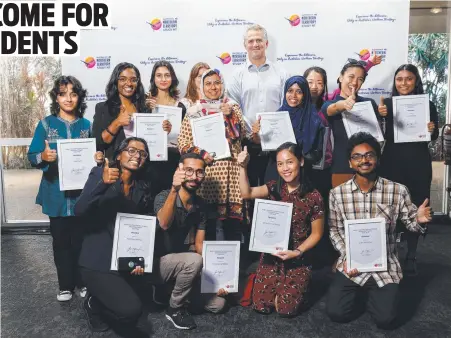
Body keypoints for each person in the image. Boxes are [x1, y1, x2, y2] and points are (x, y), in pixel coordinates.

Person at [327, 132, 432, 329]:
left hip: (385, 265)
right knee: (337, 313)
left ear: (377, 159)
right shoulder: (337, 194)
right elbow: (334, 229)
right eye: (357, 156)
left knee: (385, 319)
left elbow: (411, 225)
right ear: (350, 163)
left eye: (369, 155)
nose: (364, 160)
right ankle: (360, 291)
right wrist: (346, 254)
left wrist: (419, 220)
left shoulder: (398, 190)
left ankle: (373, 293)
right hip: (352, 263)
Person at [75, 137, 155, 334]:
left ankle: (101, 297)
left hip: (122, 258)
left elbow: (139, 230)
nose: (137, 155)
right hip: (97, 259)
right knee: (132, 311)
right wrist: (102, 183)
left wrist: (139, 260)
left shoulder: (142, 188)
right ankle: (93, 304)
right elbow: (79, 210)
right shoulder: (99, 174)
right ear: (119, 155)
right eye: (131, 150)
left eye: (142, 153)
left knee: (142, 297)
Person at [238, 142, 324, 316]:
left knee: (285, 310)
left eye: (289, 162)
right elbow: (246, 193)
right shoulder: (273, 188)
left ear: (300, 161)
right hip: (272, 255)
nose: (285, 168)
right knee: (260, 305)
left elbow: (317, 233)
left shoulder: (314, 196)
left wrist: (298, 252)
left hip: (297, 257)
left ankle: (302, 290)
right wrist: (243, 167)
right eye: (280, 164)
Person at [27, 76, 91, 302]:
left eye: (73, 94)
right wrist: (43, 156)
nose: (68, 98)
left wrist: (98, 157)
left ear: (79, 97)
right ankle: (65, 285)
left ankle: (83, 282)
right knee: (61, 242)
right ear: (56, 97)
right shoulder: (45, 124)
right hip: (56, 196)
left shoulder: (86, 125)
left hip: (81, 197)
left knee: (81, 241)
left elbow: (93, 157)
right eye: (63, 94)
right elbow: (31, 156)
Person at [154, 153, 228, 327]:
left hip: (186, 265)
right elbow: (164, 223)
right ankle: (174, 308)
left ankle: (169, 293)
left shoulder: (200, 205)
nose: (194, 177)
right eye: (189, 171)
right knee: (194, 260)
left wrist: (217, 279)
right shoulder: (163, 196)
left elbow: (200, 245)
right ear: (179, 171)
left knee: (219, 304)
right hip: (159, 265)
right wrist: (174, 189)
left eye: (199, 172)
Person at [378, 64, 439, 276]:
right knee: (391, 209)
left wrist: (431, 130)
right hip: (391, 163)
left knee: (417, 206)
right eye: (399, 79)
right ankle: (390, 252)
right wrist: (381, 117)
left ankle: (411, 254)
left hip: (418, 164)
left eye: (408, 79)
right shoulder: (386, 105)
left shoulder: (428, 105)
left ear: (416, 81)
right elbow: (379, 135)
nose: (403, 83)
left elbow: (434, 136)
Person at [178, 69, 247, 240]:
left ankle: (235, 264)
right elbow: (183, 143)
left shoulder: (233, 107)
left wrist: (229, 116)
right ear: (202, 86)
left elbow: (242, 135)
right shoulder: (194, 111)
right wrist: (201, 153)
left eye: (217, 82)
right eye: (208, 83)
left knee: (233, 228)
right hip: (207, 175)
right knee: (206, 225)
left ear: (222, 85)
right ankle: (207, 264)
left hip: (231, 174)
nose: (213, 87)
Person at [228, 24, 288, 186]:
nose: (255, 44)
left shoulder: (281, 73)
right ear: (245, 45)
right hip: (248, 143)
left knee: (276, 189)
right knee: (251, 190)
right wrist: (251, 134)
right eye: (251, 41)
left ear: (266, 44)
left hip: (277, 143)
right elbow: (234, 109)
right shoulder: (237, 75)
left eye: (259, 40)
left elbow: (286, 106)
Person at [92, 62, 171, 161]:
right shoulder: (103, 108)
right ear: (115, 81)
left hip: (145, 167)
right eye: (123, 79)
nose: (129, 83)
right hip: (117, 169)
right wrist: (117, 123)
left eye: (133, 80)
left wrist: (163, 131)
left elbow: (152, 140)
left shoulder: (145, 107)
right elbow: (98, 143)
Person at [252, 76, 325, 183]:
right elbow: (267, 150)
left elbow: (318, 154)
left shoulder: (314, 119)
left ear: (305, 95)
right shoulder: (276, 117)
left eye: (299, 92)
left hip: (302, 174)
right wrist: (257, 136)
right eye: (290, 91)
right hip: (276, 172)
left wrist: (299, 159)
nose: (293, 96)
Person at [321, 59, 381, 188]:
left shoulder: (369, 103)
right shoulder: (328, 104)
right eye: (351, 76)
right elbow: (332, 109)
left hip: (368, 167)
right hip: (341, 168)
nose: (354, 82)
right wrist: (344, 104)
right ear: (341, 77)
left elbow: (379, 135)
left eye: (360, 79)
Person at [145, 61, 187, 191]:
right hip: (148, 159)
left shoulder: (180, 106)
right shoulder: (145, 103)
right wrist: (146, 110)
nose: (163, 79)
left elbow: (183, 136)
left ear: (172, 78)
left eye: (167, 75)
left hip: (172, 159)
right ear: (153, 78)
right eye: (159, 75)